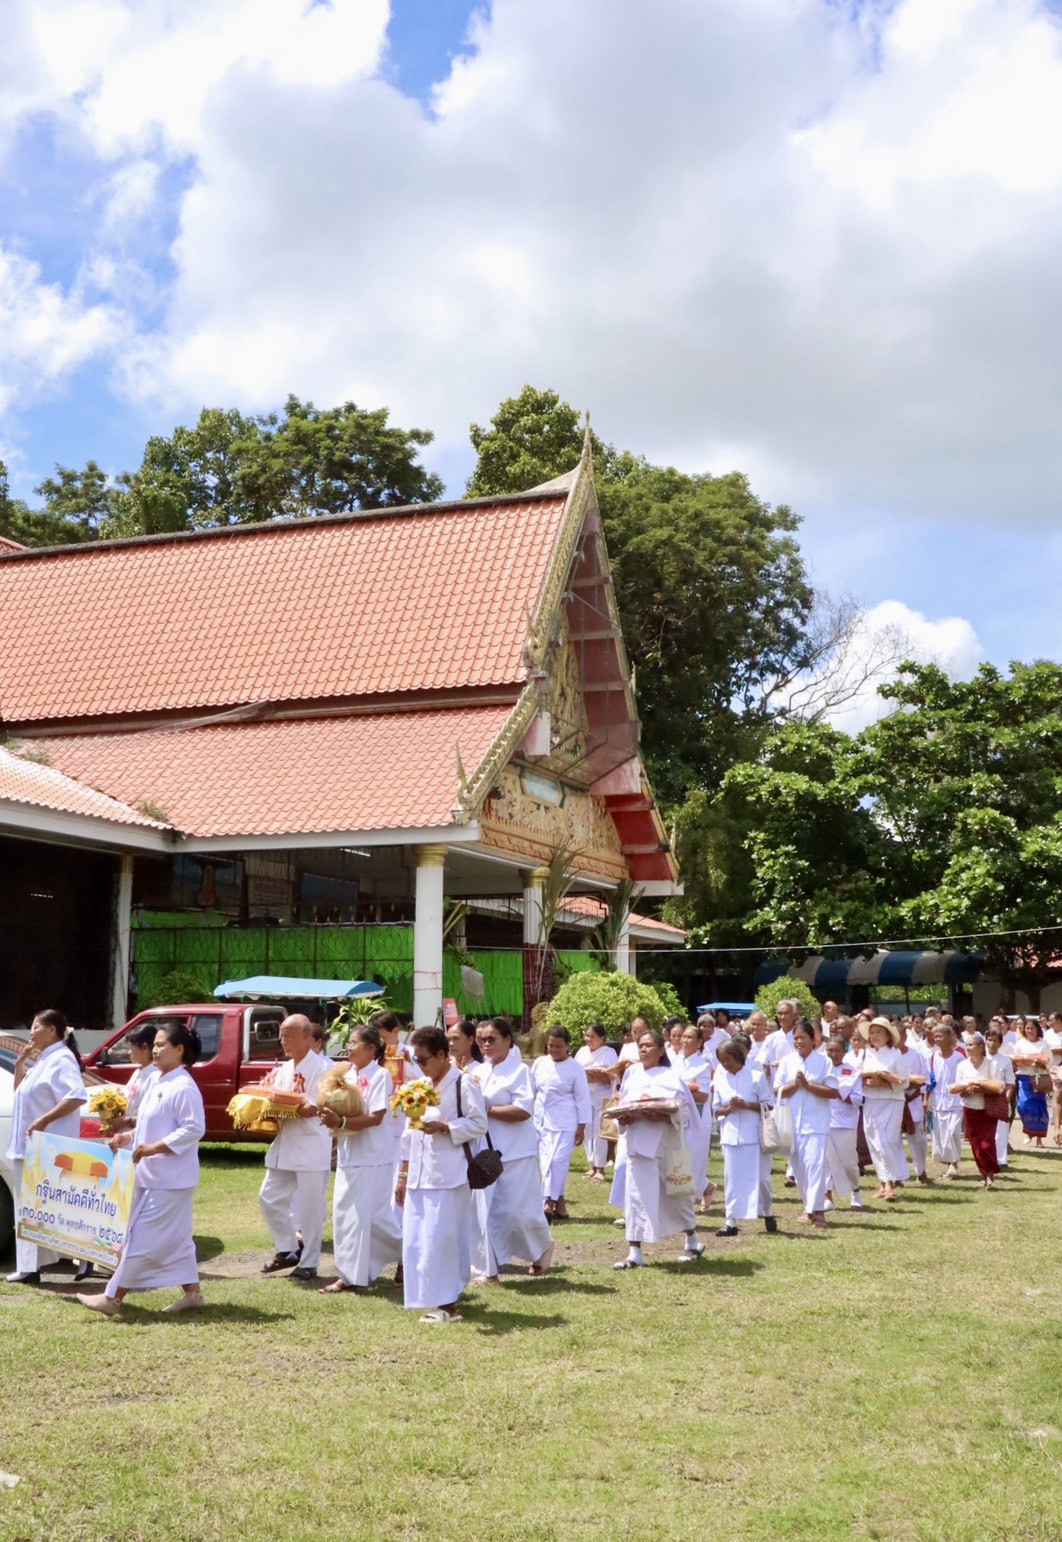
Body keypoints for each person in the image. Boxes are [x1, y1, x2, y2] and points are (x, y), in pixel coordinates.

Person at [76, 1020, 206, 1315]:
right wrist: (127, 1137)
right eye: (155, 1044)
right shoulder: (160, 1081)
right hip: (153, 1175)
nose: (156, 1050)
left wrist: (153, 1149)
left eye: (162, 1045)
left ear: (179, 1050)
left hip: (170, 1178)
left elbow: (194, 1128)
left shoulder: (184, 1086)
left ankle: (113, 1298)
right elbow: (149, 1125)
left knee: (142, 1239)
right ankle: (194, 1294)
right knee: (179, 1241)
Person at [395, 1026, 487, 1324]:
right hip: (420, 1174)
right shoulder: (419, 1086)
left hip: (450, 1174)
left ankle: (448, 1304)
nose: (420, 1066)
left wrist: (447, 1127)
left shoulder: (463, 1083)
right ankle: (431, 1297)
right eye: (416, 1060)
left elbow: (478, 1123)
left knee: (443, 1238)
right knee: (418, 1239)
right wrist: (403, 1173)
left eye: (424, 1059)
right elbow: (408, 1133)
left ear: (441, 1054)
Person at [317, 1024, 402, 1294]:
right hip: (348, 1153)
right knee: (347, 1216)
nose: (349, 1047)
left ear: (370, 1048)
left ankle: (413, 1253)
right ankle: (351, 1275)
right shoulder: (345, 1074)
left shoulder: (380, 1075)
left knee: (372, 1219)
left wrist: (341, 1119)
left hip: (373, 1155)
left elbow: (376, 1117)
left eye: (354, 1043)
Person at [6, 1009, 87, 1285]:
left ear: (52, 1029)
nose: (30, 1033)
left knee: (43, 1207)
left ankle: (80, 1257)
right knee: (29, 1208)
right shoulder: (44, 1059)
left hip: (44, 1149)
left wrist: (43, 1120)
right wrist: (20, 1065)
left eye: (35, 1027)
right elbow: (20, 1095)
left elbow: (76, 1096)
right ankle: (30, 1266)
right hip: (28, 1148)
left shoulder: (62, 1059)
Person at [611, 1029, 706, 1267]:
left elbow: (684, 1113)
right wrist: (624, 1118)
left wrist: (661, 1116)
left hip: (666, 1144)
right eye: (640, 1045)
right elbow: (621, 1105)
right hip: (637, 1144)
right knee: (635, 1197)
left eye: (648, 1045)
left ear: (661, 1050)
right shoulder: (632, 1074)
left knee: (676, 1196)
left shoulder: (671, 1077)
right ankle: (635, 1251)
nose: (643, 1049)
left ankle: (692, 1239)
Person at [471, 1017, 553, 1280]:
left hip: (516, 1152)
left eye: (491, 1038)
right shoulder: (479, 1072)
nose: (485, 1043)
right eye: (481, 1039)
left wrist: (488, 1110)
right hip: (483, 1153)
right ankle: (488, 1269)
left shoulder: (520, 1072)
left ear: (507, 1040)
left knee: (518, 1213)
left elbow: (523, 1110)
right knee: (484, 1211)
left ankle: (542, 1247)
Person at [258, 1014, 331, 1281]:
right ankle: (288, 1249)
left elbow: (315, 1107)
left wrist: (282, 1106)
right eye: (281, 1035)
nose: (282, 1040)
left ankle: (309, 1262)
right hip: (285, 1144)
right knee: (269, 1197)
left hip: (311, 1145)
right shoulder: (285, 1068)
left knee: (310, 1209)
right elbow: (272, 1100)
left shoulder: (322, 1067)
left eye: (287, 1035)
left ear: (305, 1036)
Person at [774, 1019, 839, 1227]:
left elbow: (833, 1091)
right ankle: (808, 1207)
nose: (799, 1041)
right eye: (796, 1038)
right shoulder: (786, 1061)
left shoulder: (824, 1062)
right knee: (799, 1169)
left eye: (803, 1038)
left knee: (815, 1166)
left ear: (813, 1040)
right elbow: (777, 1091)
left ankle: (818, 1211)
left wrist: (808, 1086)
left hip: (816, 1123)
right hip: (791, 1123)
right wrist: (796, 1084)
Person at [711, 1038, 774, 1237]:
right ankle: (730, 1221)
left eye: (728, 1059)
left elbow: (769, 1105)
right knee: (731, 1179)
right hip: (730, 1136)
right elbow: (716, 1110)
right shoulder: (720, 1079)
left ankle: (768, 1212)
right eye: (721, 1060)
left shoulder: (756, 1076)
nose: (725, 1064)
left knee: (761, 1178)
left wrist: (746, 1105)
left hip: (753, 1135)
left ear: (738, 1057)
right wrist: (729, 1109)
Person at [532, 1027, 591, 1219]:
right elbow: (531, 1092)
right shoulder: (540, 1063)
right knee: (546, 1163)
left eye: (559, 1046)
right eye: (551, 1045)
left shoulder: (575, 1068)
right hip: (540, 1121)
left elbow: (582, 1099)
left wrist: (582, 1127)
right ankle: (560, 1202)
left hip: (566, 1122)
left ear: (568, 1046)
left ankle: (548, 1202)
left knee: (557, 1161)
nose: (554, 1050)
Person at [859, 1017, 909, 1202]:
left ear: (888, 1035)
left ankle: (892, 1181)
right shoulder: (866, 1054)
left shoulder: (896, 1055)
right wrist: (867, 1081)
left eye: (879, 1032)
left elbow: (904, 1082)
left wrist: (884, 1081)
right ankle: (883, 1182)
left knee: (888, 1140)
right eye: (872, 1033)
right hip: (872, 1101)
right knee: (874, 1141)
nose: (875, 1036)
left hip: (892, 1101)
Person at [952, 1032, 1006, 1188]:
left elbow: (997, 1088)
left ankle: (991, 1174)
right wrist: (967, 1090)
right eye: (967, 1045)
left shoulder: (991, 1065)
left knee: (987, 1143)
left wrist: (980, 1089)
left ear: (981, 1047)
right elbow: (958, 1088)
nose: (968, 1048)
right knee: (976, 1144)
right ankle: (984, 1173)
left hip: (987, 1109)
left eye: (971, 1045)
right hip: (969, 1108)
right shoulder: (962, 1065)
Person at [824, 1034, 864, 1211]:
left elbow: (860, 1098)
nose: (833, 1054)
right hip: (823, 1121)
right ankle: (828, 1197)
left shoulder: (852, 1072)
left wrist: (841, 1093)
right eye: (830, 1050)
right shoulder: (821, 1069)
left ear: (844, 1051)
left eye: (837, 1051)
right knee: (826, 1162)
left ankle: (855, 1191)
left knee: (848, 1162)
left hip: (845, 1122)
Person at [574, 1023, 618, 1180]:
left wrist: (597, 1074)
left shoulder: (608, 1053)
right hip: (584, 1095)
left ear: (601, 1038)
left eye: (592, 1036)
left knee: (599, 1132)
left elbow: (611, 1074)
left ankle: (600, 1168)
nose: (588, 1039)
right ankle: (592, 1165)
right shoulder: (581, 1052)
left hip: (601, 1095)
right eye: (586, 1036)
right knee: (587, 1131)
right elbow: (576, 1072)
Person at [929, 1023, 966, 1178]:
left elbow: (964, 1078)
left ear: (949, 1037)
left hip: (956, 1101)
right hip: (938, 1100)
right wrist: (927, 1099)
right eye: (935, 1036)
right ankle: (949, 1162)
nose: (937, 1039)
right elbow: (931, 1079)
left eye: (940, 1036)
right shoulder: (933, 1057)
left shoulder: (959, 1057)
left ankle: (954, 1163)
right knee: (941, 1134)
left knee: (953, 1131)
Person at [1012, 1017, 1051, 1146]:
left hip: (1038, 1078)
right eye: (1027, 1028)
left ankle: (1039, 1138)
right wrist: (1023, 1061)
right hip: (1024, 1077)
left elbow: (1049, 1062)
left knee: (1038, 1108)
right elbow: (1015, 1060)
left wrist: (1041, 1063)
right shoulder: (1019, 1043)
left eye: (1032, 1028)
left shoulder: (1043, 1044)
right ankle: (1029, 1132)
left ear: (1037, 1029)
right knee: (1022, 1106)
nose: (1029, 1031)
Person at [984, 1024, 1016, 1168]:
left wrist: (1006, 1099)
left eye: (995, 1041)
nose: (992, 1043)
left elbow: (1010, 1082)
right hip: (982, 1097)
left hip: (1000, 1097)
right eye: (989, 1040)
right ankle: (986, 1158)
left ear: (1000, 1043)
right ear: (985, 1040)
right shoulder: (980, 1058)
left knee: (1001, 1130)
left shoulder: (1005, 1060)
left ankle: (1001, 1160)